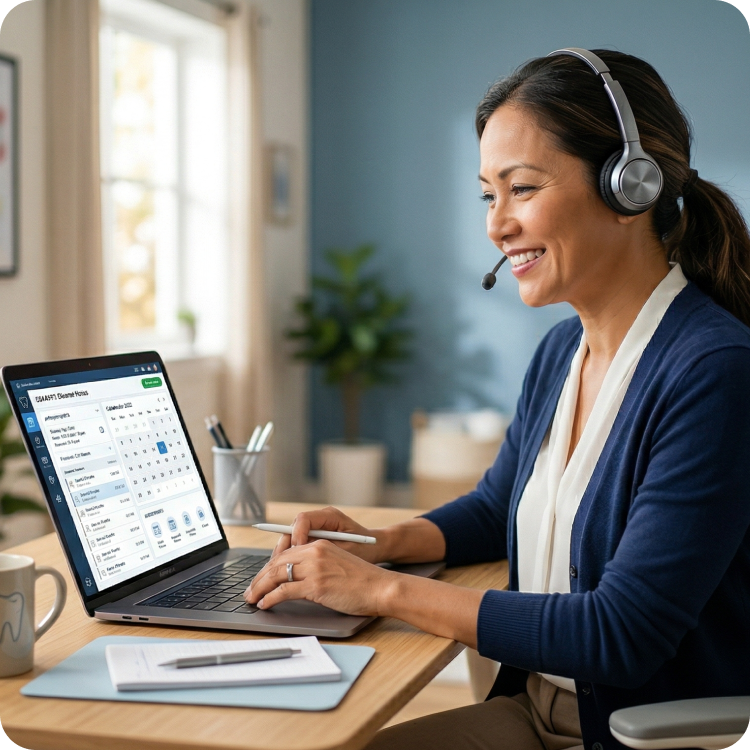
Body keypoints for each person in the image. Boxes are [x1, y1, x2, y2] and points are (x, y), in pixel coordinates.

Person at [246, 49, 750, 750]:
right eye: (490, 194)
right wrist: (378, 543)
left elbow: (622, 634)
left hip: (635, 737)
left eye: (522, 189)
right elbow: (494, 508)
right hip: (535, 711)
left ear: (630, 186)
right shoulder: (560, 354)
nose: (497, 224)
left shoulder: (714, 372)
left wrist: (382, 591)